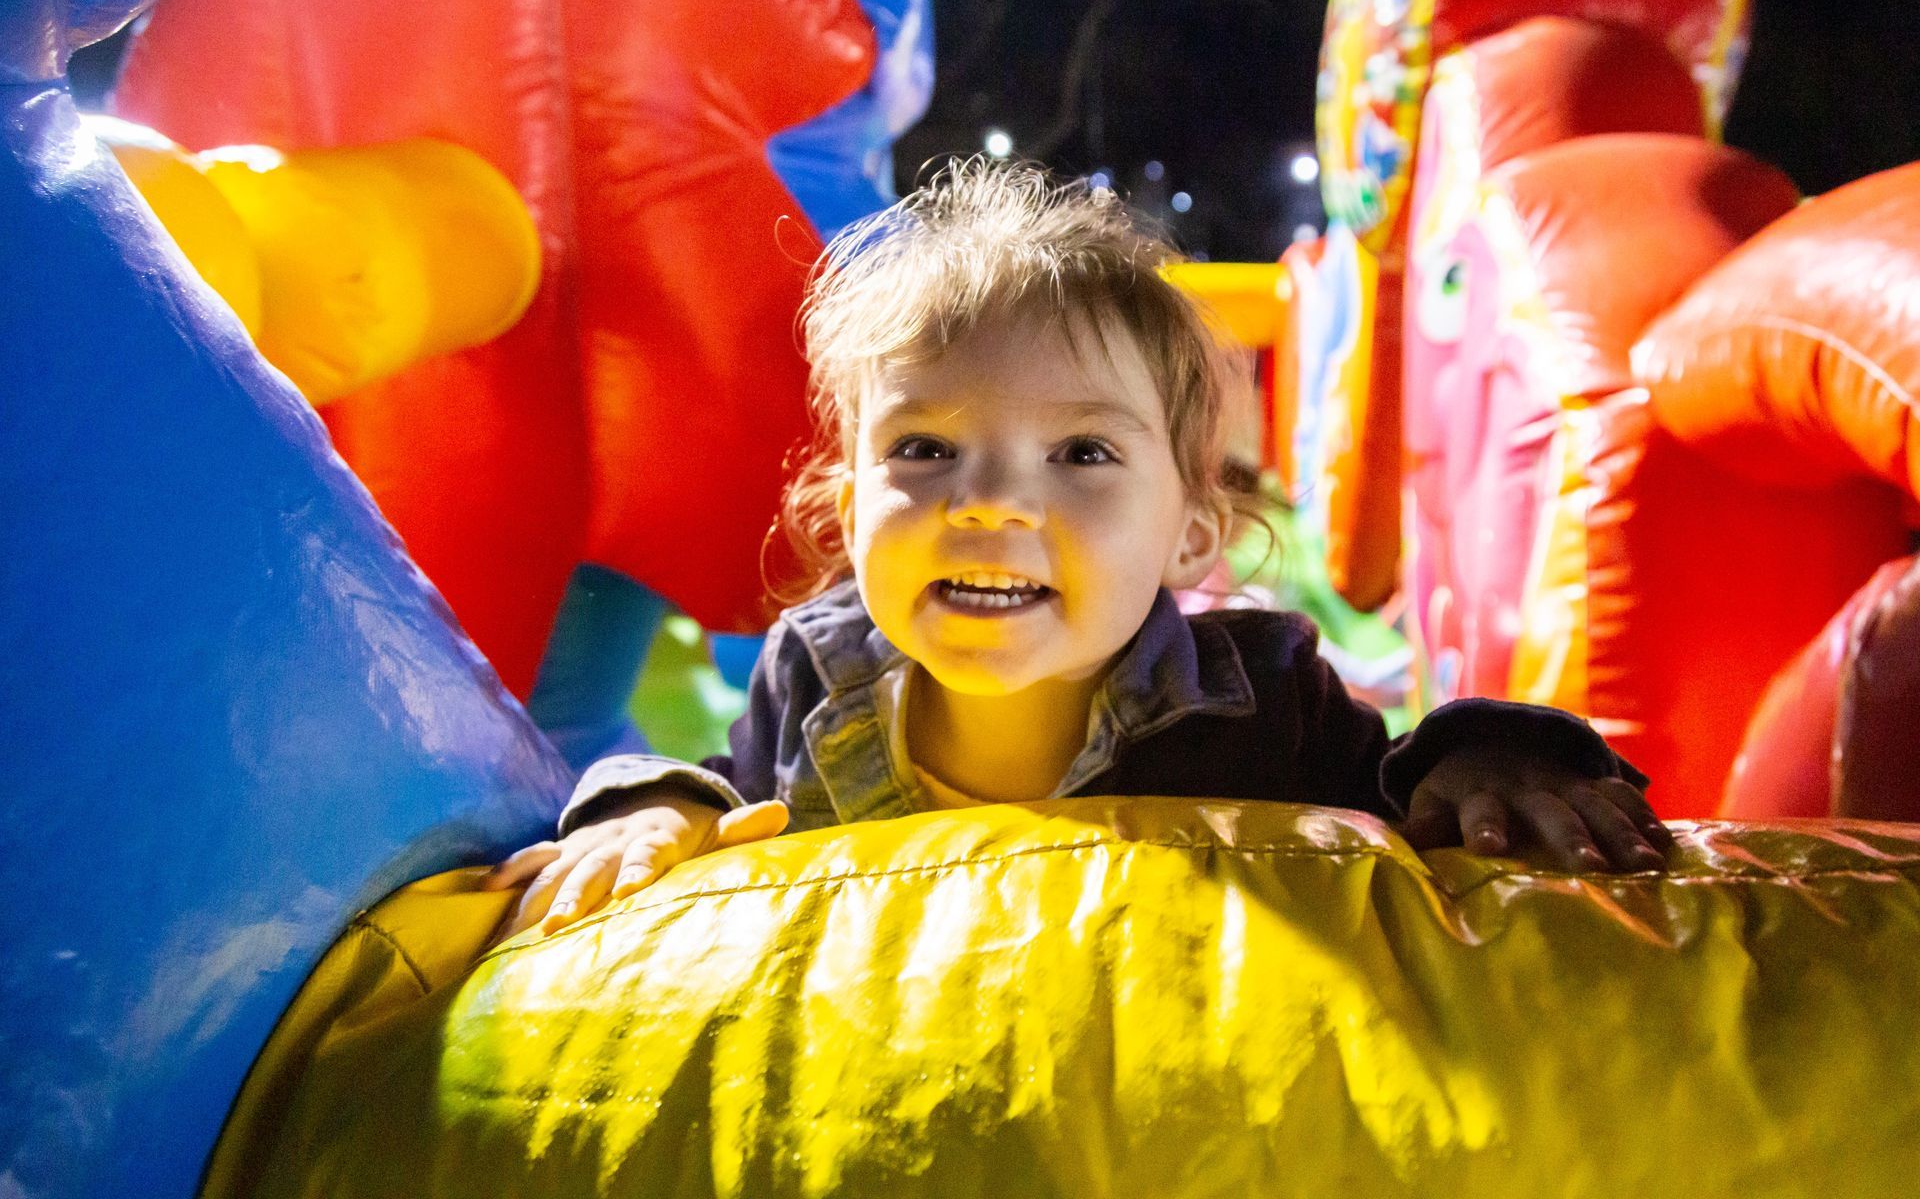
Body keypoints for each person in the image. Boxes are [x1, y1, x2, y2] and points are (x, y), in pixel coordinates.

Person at [488, 161, 1669, 939]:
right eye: (925, 449)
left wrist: (1498, 756)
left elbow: (1404, 785)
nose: (991, 501)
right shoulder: (816, 674)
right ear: (844, 500)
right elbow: (729, 796)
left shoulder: (1257, 704)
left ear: (1191, 526)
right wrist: (646, 807)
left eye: (1084, 456)